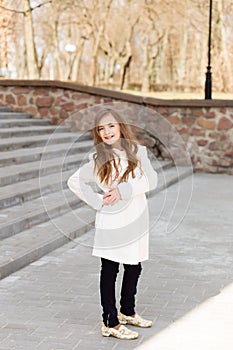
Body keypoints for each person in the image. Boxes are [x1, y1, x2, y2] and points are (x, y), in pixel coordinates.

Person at [67, 108, 158, 340]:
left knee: (134, 265)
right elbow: (74, 182)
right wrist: (98, 201)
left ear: (120, 127)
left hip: (137, 217)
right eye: (101, 128)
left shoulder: (138, 152)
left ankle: (127, 311)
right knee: (110, 269)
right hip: (112, 221)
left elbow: (151, 180)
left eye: (111, 126)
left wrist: (123, 190)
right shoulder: (98, 159)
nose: (106, 132)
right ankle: (110, 321)